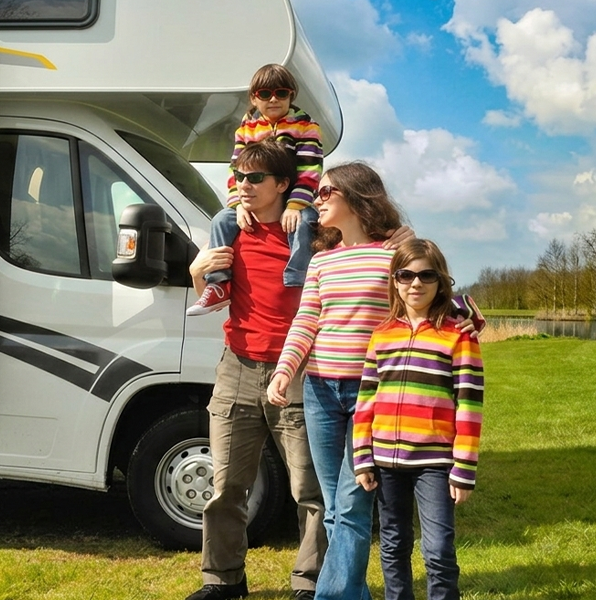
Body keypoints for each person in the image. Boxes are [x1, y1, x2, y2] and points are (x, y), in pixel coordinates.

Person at [266, 164, 482, 600]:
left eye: (327, 191)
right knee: (335, 508)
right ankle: (353, 593)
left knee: (350, 504)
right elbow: (307, 320)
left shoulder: (392, 257)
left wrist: (467, 316)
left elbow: (448, 302)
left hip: (373, 394)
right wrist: (285, 370)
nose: (318, 198)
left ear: (357, 197)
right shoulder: (322, 260)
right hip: (321, 391)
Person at [185, 141, 325, 600]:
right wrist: (196, 272)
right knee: (225, 488)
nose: (243, 186)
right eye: (240, 177)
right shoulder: (231, 229)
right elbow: (215, 294)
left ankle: (311, 584)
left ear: (283, 185)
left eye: (255, 178)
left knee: (310, 491)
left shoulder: (309, 231)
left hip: (301, 369)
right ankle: (223, 582)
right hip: (238, 368)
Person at [353, 238, 485, 600]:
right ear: (394, 280)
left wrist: (464, 468)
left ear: (441, 280)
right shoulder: (381, 335)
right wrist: (362, 457)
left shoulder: (459, 336)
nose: (416, 283)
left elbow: (470, 407)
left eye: (427, 275)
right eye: (406, 274)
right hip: (386, 461)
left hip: (436, 462)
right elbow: (366, 400)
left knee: (439, 550)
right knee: (394, 545)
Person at [187, 63, 323, 316]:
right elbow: (236, 170)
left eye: (281, 93)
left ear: (291, 95)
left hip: (295, 197)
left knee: (305, 223)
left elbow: (310, 168)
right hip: (259, 201)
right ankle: (218, 284)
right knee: (221, 219)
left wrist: (295, 205)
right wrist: (238, 205)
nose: (273, 99)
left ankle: (298, 281)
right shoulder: (247, 128)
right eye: (265, 94)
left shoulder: (305, 125)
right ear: (253, 98)